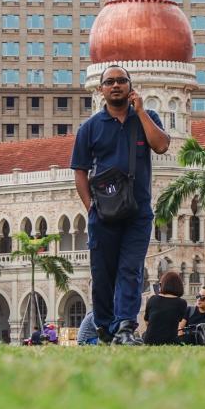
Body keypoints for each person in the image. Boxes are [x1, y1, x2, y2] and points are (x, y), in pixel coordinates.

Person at [71, 65, 170, 345]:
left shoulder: (146, 118)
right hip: (103, 213)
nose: (115, 85)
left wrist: (141, 111)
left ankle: (125, 326)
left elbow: (161, 145)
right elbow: (79, 171)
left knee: (131, 268)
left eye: (121, 81)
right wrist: (91, 207)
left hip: (138, 211)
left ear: (130, 86)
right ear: (101, 90)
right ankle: (105, 327)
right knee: (102, 274)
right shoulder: (90, 128)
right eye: (110, 82)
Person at [143, 271, 188, 346]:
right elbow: (178, 321)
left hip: (149, 340)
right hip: (170, 341)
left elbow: (147, 321)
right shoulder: (182, 303)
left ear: (162, 285)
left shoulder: (152, 299)